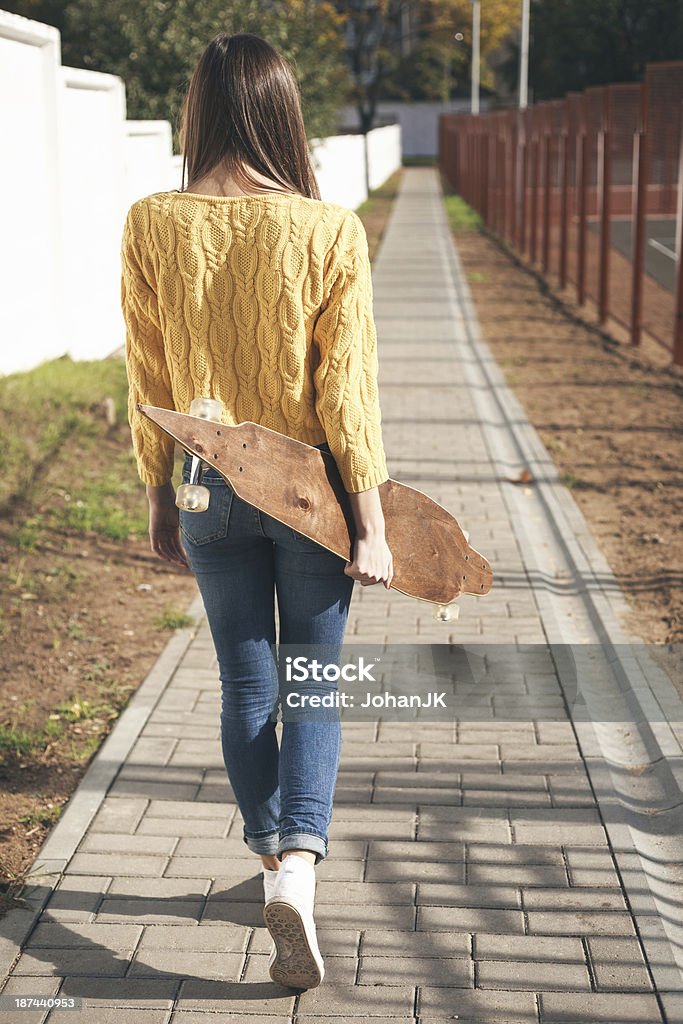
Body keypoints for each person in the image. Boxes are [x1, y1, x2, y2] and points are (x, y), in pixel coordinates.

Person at [120, 31, 392, 990]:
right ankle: (302, 877)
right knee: (313, 684)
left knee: (247, 688)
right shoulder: (328, 230)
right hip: (312, 494)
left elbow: (148, 375)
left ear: (198, 112)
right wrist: (373, 524)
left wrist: (156, 487)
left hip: (207, 489)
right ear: (283, 112)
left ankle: (270, 858)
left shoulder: (150, 220)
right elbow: (345, 392)